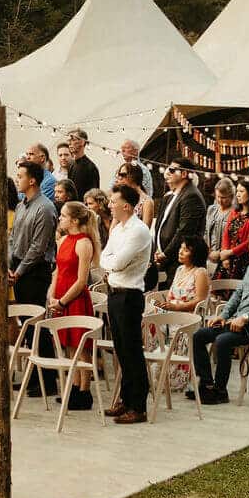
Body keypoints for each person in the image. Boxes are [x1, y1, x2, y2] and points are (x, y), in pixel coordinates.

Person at [188, 228, 249, 404]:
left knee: (222, 341)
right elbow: (237, 295)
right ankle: (207, 385)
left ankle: (220, 391)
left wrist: (246, 317)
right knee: (199, 336)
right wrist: (224, 315)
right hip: (235, 322)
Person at [99, 182, 153, 424]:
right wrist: (109, 262)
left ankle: (138, 405)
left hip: (130, 294)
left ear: (127, 206)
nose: (110, 205)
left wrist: (110, 262)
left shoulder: (138, 230)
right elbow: (104, 257)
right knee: (120, 349)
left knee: (132, 351)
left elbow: (118, 262)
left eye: (113, 202)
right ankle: (125, 398)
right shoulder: (117, 229)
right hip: (114, 292)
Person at [40, 199, 98, 409]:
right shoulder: (62, 240)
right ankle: (73, 386)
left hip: (74, 298)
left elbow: (81, 280)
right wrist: (52, 294)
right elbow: (57, 271)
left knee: (81, 346)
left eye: (63, 216)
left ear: (74, 220)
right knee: (69, 345)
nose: (60, 219)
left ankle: (84, 390)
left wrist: (63, 301)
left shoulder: (84, 243)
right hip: (60, 296)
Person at [149, 161, 205, 291]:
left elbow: (184, 231)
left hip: (180, 260)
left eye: (172, 170)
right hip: (165, 257)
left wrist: (165, 253)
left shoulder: (191, 196)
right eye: (168, 168)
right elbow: (159, 225)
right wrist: (157, 249)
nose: (167, 172)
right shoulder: (170, 196)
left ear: (184, 173)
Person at [9, 160, 55, 310]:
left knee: (34, 321)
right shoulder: (20, 206)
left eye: (20, 176)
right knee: (23, 317)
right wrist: (10, 265)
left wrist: (19, 271)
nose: (17, 179)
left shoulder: (45, 208)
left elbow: (38, 247)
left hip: (35, 272)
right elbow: (12, 237)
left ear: (32, 181)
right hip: (17, 267)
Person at [216, 179, 249, 279]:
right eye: (237, 191)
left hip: (244, 262)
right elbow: (226, 234)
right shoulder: (234, 212)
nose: (237, 194)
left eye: (241, 191)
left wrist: (230, 252)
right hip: (227, 260)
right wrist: (225, 256)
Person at [154, 236, 211, 315]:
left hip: (189, 317)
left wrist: (177, 307)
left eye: (186, 250)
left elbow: (200, 300)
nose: (180, 252)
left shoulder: (200, 273)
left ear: (195, 254)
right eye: (181, 248)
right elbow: (170, 295)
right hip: (172, 313)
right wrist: (163, 305)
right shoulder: (180, 269)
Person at [115, 161, 156, 225]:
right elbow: (113, 225)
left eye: (123, 175)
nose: (119, 178)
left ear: (133, 176)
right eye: (118, 175)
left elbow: (145, 229)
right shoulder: (121, 198)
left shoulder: (147, 201)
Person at [205, 176, 235, 254]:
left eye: (223, 198)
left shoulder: (235, 213)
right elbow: (206, 233)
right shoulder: (211, 209)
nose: (220, 200)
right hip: (209, 255)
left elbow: (234, 239)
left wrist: (221, 253)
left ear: (231, 196)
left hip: (225, 256)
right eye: (218, 196)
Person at [65, 129, 99, 197]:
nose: (70, 143)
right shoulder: (71, 165)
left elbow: (93, 195)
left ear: (82, 142)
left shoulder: (90, 167)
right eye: (69, 140)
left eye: (73, 140)